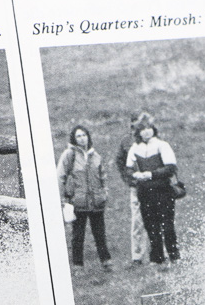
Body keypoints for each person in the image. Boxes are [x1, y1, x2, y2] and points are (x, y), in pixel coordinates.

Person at [124, 120, 180, 266]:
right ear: (138, 132)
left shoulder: (162, 145)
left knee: (167, 225)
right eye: (143, 129)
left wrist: (151, 174)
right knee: (151, 226)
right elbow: (128, 169)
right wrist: (136, 175)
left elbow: (170, 167)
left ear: (153, 130)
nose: (146, 131)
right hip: (145, 192)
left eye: (149, 128)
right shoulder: (135, 148)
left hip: (163, 190)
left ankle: (174, 256)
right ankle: (157, 258)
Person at [57, 125, 112, 271]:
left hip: (96, 201)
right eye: (79, 136)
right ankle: (78, 265)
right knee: (78, 235)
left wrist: (105, 192)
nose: (82, 138)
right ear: (74, 139)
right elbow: (60, 176)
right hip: (78, 201)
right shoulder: (70, 155)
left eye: (84, 135)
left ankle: (106, 262)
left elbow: (103, 176)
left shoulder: (96, 156)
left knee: (100, 233)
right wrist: (62, 197)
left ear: (88, 136)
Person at [116, 112, 152, 266]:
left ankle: (157, 254)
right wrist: (129, 179)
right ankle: (137, 256)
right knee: (137, 222)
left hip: (151, 186)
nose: (136, 128)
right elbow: (120, 161)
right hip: (136, 187)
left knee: (154, 219)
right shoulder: (126, 141)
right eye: (134, 125)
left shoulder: (151, 140)